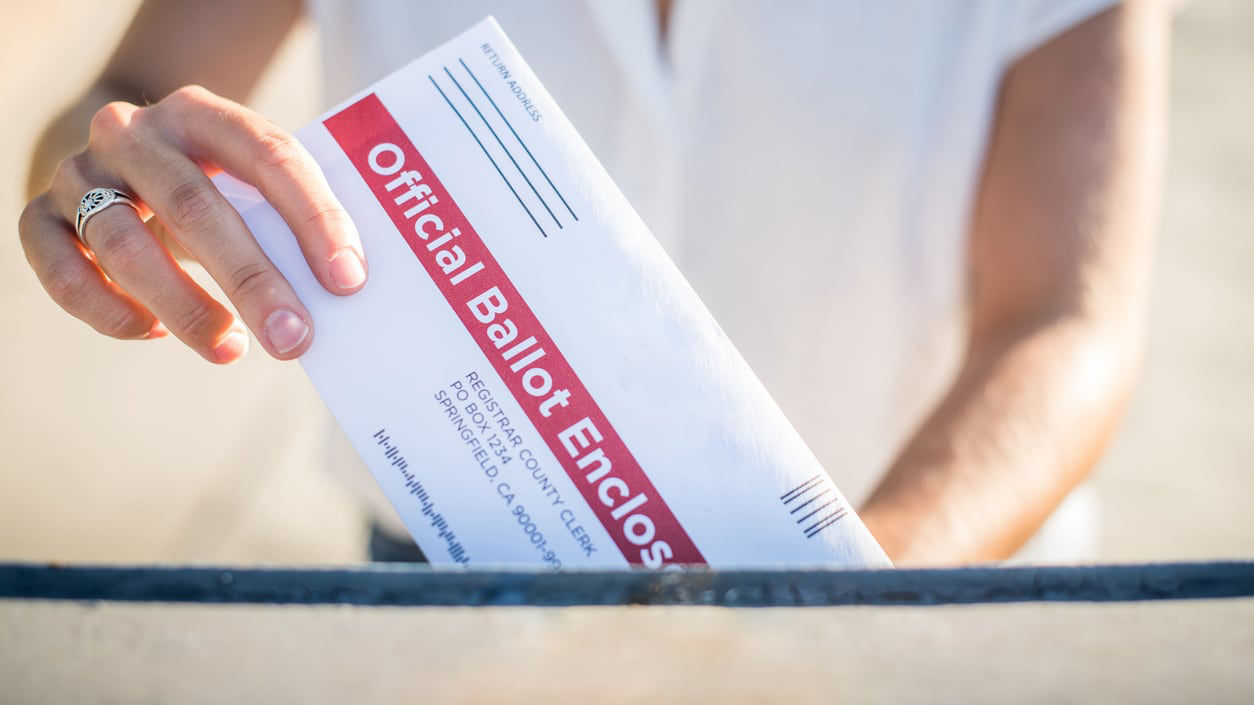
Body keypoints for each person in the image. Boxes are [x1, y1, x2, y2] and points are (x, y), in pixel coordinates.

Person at [19, 0, 1166, 565]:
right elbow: (124, 98)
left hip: (921, 556)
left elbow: (1065, 317)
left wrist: (855, 594)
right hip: (472, 535)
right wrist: (109, 180)